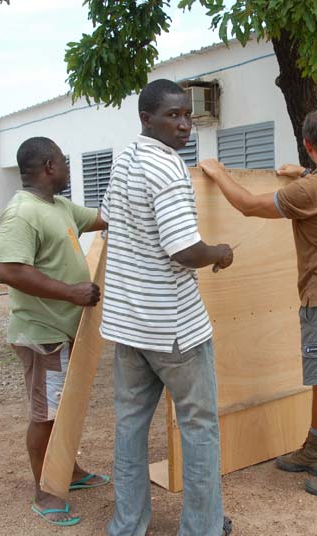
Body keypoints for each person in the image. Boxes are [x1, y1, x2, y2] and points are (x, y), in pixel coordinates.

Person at [200, 107, 317, 499]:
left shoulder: (309, 191)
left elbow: (247, 204)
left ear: (308, 145)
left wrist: (217, 173)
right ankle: (315, 450)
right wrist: (306, 175)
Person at [100, 79, 234, 536]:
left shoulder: (123, 162)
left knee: (130, 429)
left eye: (188, 116)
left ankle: (127, 526)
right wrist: (219, 251)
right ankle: (202, 529)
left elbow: (111, 221)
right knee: (200, 429)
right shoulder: (168, 168)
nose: (184, 126)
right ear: (146, 118)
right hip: (175, 329)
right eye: (173, 116)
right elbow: (183, 250)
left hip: (128, 325)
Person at [0, 136, 109, 527]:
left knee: (65, 406)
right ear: (48, 166)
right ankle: (45, 490)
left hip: (64, 329)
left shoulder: (58, 206)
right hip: (42, 333)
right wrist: (71, 292)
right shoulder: (23, 213)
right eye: (63, 160)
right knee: (46, 414)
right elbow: (9, 269)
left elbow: (100, 218)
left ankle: (68, 471)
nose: (69, 167)